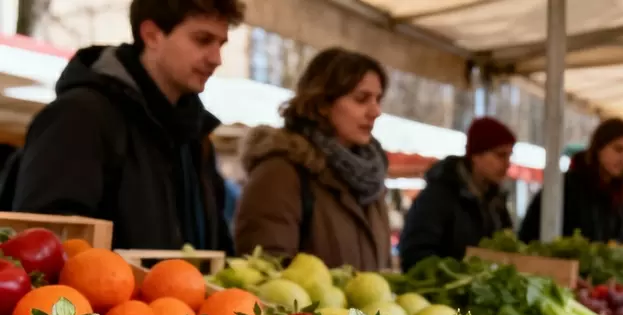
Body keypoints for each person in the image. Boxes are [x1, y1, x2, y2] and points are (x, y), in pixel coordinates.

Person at [8, 0, 243, 251]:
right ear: (151, 35)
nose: (216, 58)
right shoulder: (80, 116)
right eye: (202, 40)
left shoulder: (197, 135)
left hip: (184, 290)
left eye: (221, 44)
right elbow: (45, 238)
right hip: (102, 289)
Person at [235, 48, 391, 270]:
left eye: (378, 99)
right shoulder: (280, 173)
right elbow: (265, 272)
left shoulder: (371, 179)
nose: (375, 111)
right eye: (361, 99)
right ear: (322, 104)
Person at [399, 117, 516, 270]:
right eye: (500, 155)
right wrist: (455, 277)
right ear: (476, 155)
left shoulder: (496, 204)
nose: (507, 164)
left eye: (509, 156)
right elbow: (415, 253)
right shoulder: (437, 197)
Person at [520, 118, 623, 243]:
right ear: (599, 148)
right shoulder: (565, 187)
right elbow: (530, 233)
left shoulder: (619, 195)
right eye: (618, 149)